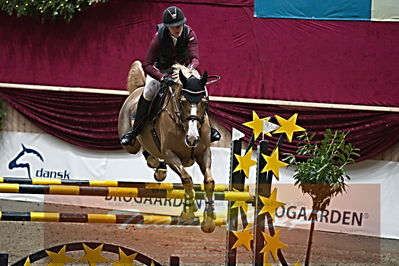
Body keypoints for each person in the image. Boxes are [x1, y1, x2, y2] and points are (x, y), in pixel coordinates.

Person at [120, 6, 221, 146]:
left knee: (202, 89)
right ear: (167, 27)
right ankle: (135, 130)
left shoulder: (189, 33)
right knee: (149, 91)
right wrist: (162, 78)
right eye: (173, 26)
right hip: (161, 70)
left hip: (184, 70)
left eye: (179, 24)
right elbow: (147, 64)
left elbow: (194, 58)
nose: (177, 28)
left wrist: (190, 69)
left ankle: (210, 127)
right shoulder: (159, 37)